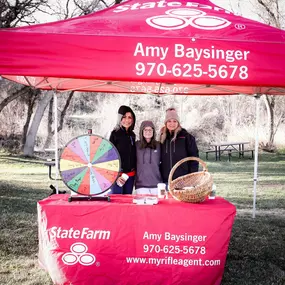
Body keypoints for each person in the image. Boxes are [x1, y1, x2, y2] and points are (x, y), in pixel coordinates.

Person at [160, 108, 199, 185]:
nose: (172, 123)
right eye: (169, 121)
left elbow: (194, 158)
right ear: (165, 123)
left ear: (178, 123)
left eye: (174, 121)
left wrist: (191, 177)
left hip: (183, 181)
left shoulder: (186, 137)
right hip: (166, 181)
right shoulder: (162, 138)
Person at [109, 105, 136, 194]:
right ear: (120, 118)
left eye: (129, 117)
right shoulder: (115, 134)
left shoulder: (132, 135)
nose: (127, 120)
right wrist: (116, 175)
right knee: (117, 203)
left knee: (128, 203)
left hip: (130, 176)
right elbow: (109, 157)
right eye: (124, 117)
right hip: (118, 176)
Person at [135, 120, 162, 195]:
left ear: (153, 131)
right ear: (141, 131)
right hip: (141, 186)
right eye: (145, 130)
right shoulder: (136, 145)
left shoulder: (159, 145)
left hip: (157, 185)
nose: (148, 132)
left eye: (150, 130)